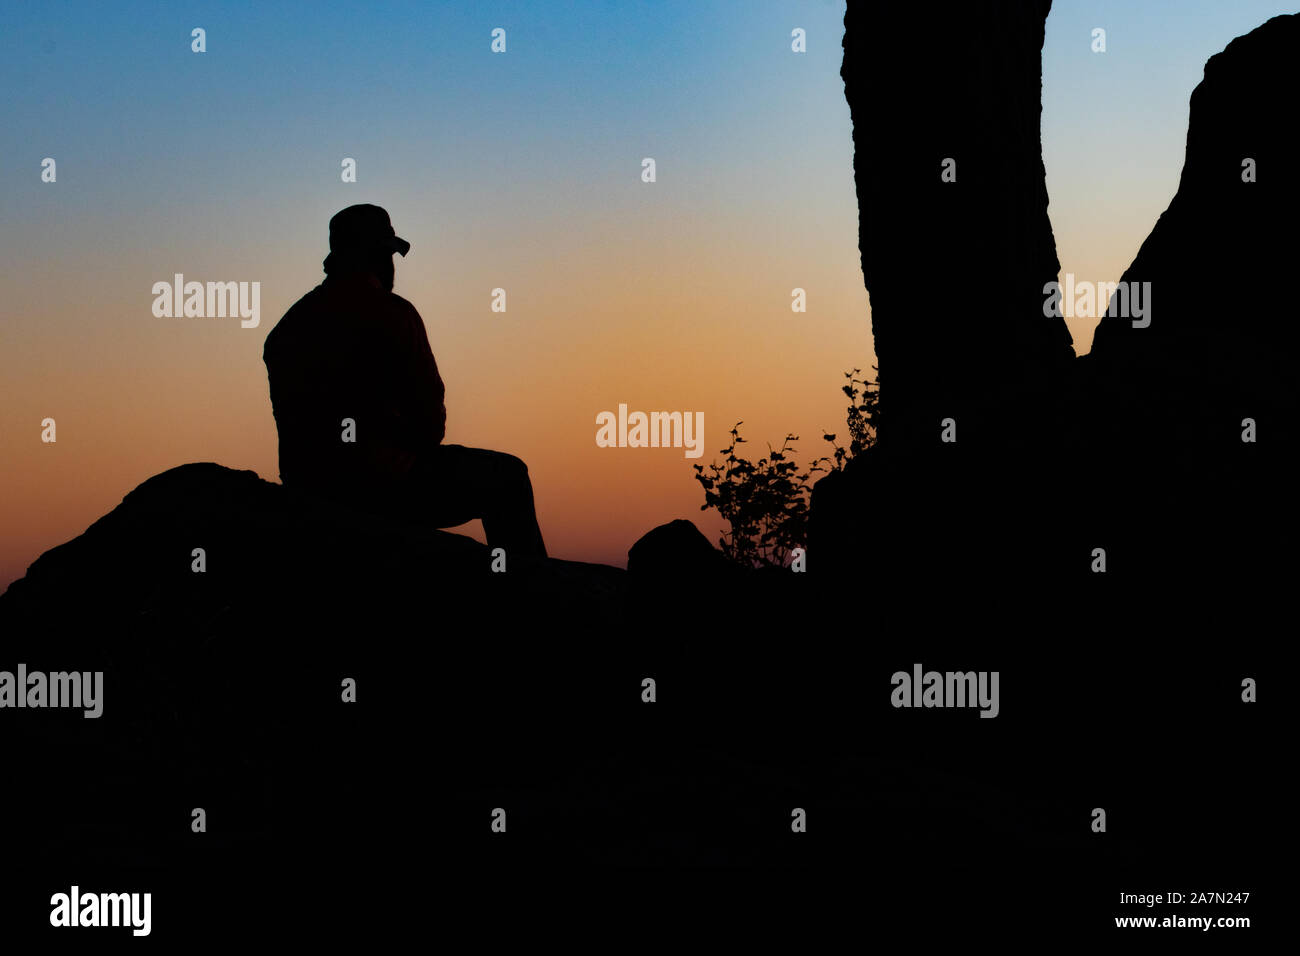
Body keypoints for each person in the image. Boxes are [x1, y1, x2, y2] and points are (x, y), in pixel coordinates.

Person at [263, 204, 547, 559]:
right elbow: (430, 425)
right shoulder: (393, 313)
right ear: (379, 255)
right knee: (508, 477)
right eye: (390, 254)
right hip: (385, 485)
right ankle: (532, 599)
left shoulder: (289, 326)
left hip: (310, 486)